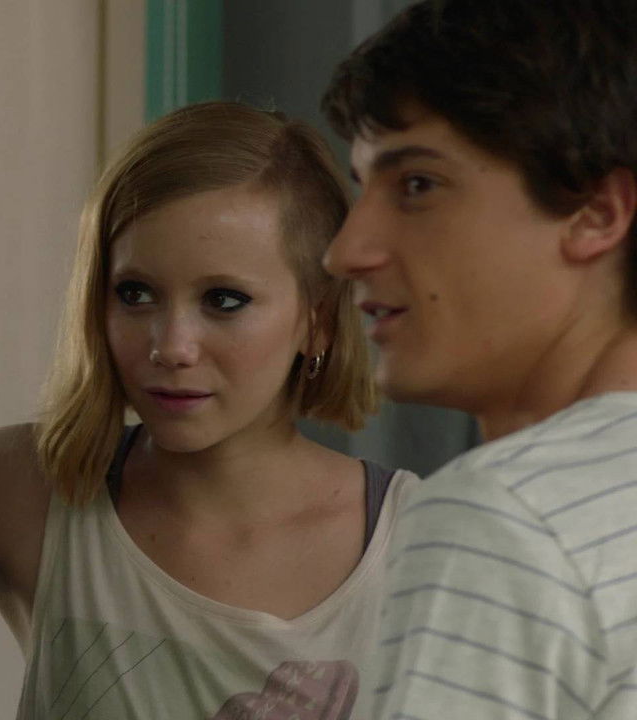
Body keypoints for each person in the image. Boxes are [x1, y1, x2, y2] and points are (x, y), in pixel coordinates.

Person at [0, 101, 419, 718]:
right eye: (135, 294)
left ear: (318, 319)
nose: (171, 346)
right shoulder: (27, 490)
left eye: (224, 300)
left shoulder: (423, 542)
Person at [319, 0, 637, 716]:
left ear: (597, 212)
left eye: (417, 185)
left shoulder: (502, 518)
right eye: (363, 188)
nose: (346, 252)